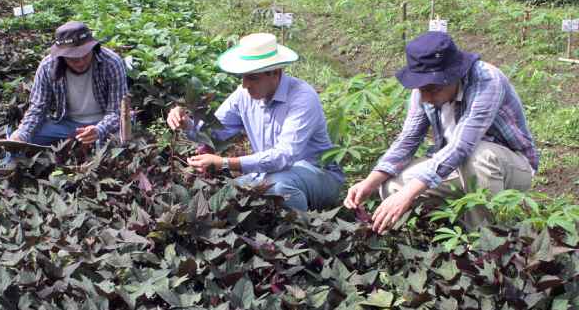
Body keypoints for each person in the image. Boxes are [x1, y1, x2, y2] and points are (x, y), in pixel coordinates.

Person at [344, 31, 538, 232]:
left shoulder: (487, 80)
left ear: (454, 75)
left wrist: (408, 194)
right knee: (391, 185)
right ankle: (444, 232)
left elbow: (462, 146)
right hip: (456, 166)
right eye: (421, 90)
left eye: (432, 90)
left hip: (510, 168)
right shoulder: (425, 89)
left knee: (478, 156)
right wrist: (369, 182)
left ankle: (486, 238)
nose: (425, 98)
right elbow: (408, 139)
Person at [166, 33, 344, 211]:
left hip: (319, 175)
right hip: (269, 173)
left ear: (275, 73)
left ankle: (300, 226)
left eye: (252, 77)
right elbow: (214, 133)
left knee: (278, 187)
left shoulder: (302, 98)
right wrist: (186, 123)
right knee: (227, 194)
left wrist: (225, 162)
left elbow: (284, 156)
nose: (245, 85)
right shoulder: (243, 95)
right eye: (243, 77)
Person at [9, 21, 128, 146]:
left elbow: (117, 110)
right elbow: (38, 107)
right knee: (22, 138)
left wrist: (99, 130)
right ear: (61, 56)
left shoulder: (111, 62)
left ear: (93, 48)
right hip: (66, 124)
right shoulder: (47, 66)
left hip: (103, 122)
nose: (81, 62)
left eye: (85, 55)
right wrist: (22, 134)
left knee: (122, 140)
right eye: (73, 59)